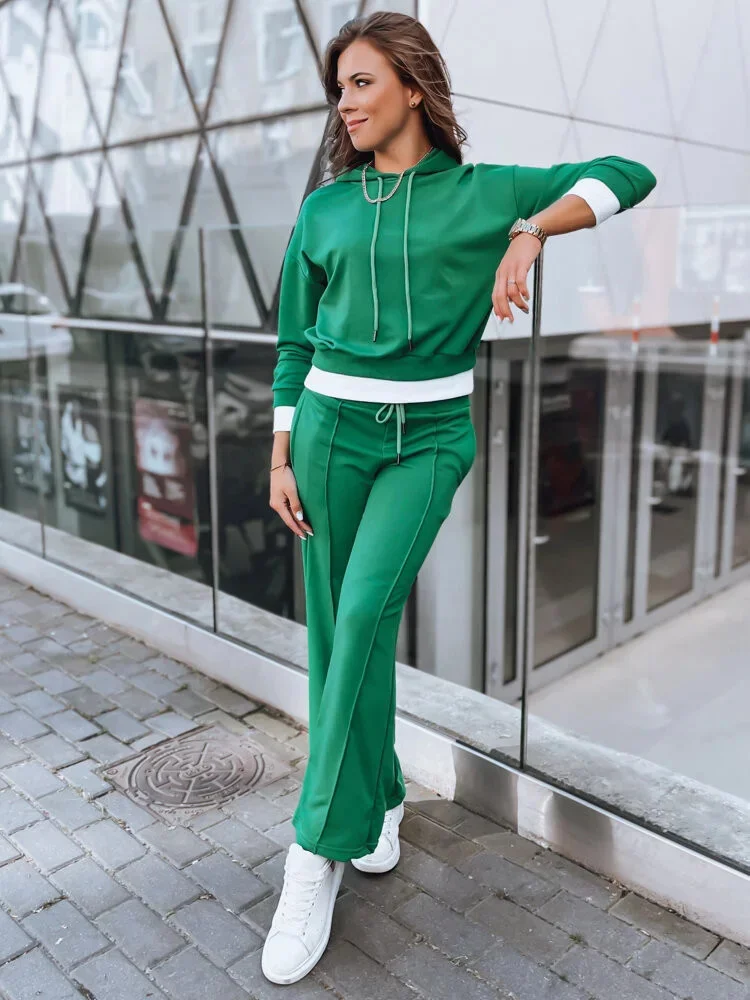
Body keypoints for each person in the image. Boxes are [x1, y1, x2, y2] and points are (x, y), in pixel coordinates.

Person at [265, 10, 656, 986]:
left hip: (430, 439)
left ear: (413, 86)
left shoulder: (489, 193)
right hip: (325, 434)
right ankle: (381, 793)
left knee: (363, 612)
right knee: (339, 635)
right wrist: (279, 452)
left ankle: (314, 849)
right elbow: (294, 343)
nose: (345, 104)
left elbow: (627, 174)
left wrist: (532, 229)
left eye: (362, 83)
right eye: (339, 89)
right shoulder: (326, 208)